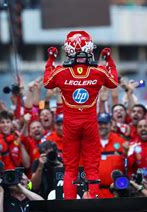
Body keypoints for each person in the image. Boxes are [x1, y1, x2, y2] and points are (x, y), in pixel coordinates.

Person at [43, 30, 119, 199]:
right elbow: (114, 82)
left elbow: (47, 82)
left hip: (70, 126)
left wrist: (50, 59)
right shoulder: (98, 71)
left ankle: (70, 207)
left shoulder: (60, 72)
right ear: (90, 49)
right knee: (91, 168)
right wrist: (109, 60)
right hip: (90, 125)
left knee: (70, 168)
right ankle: (93, 201)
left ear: (68, 50)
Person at [97, 113, 126, 198]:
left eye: (105, 123)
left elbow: (129, 164)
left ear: (110, 124)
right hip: (95, 191)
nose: (102, 126)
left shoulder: (121, 141)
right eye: (100, 123)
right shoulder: (90, 142)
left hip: (116, 191)